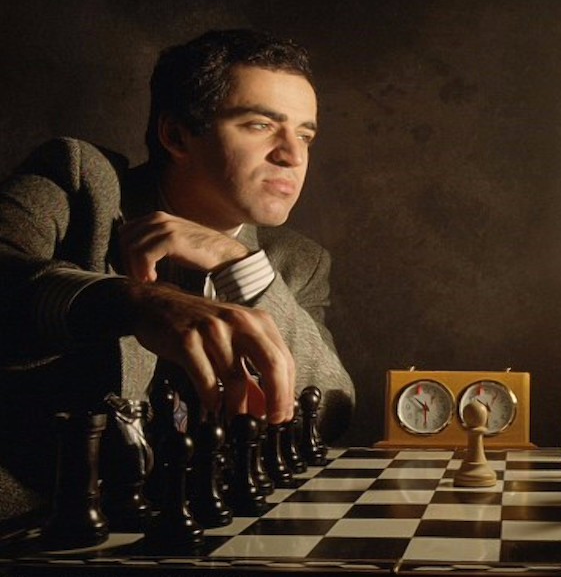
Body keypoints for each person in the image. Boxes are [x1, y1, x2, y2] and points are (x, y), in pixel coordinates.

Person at [0, 29, 354, 518]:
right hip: (36, 525)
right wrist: (135, 303)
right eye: (259, 125)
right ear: (176, 136)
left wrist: (237, 263)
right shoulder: (78, 180)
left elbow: (330, 410)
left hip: (206, 530)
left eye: (305, 135)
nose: (292, 156)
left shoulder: (295, 262)